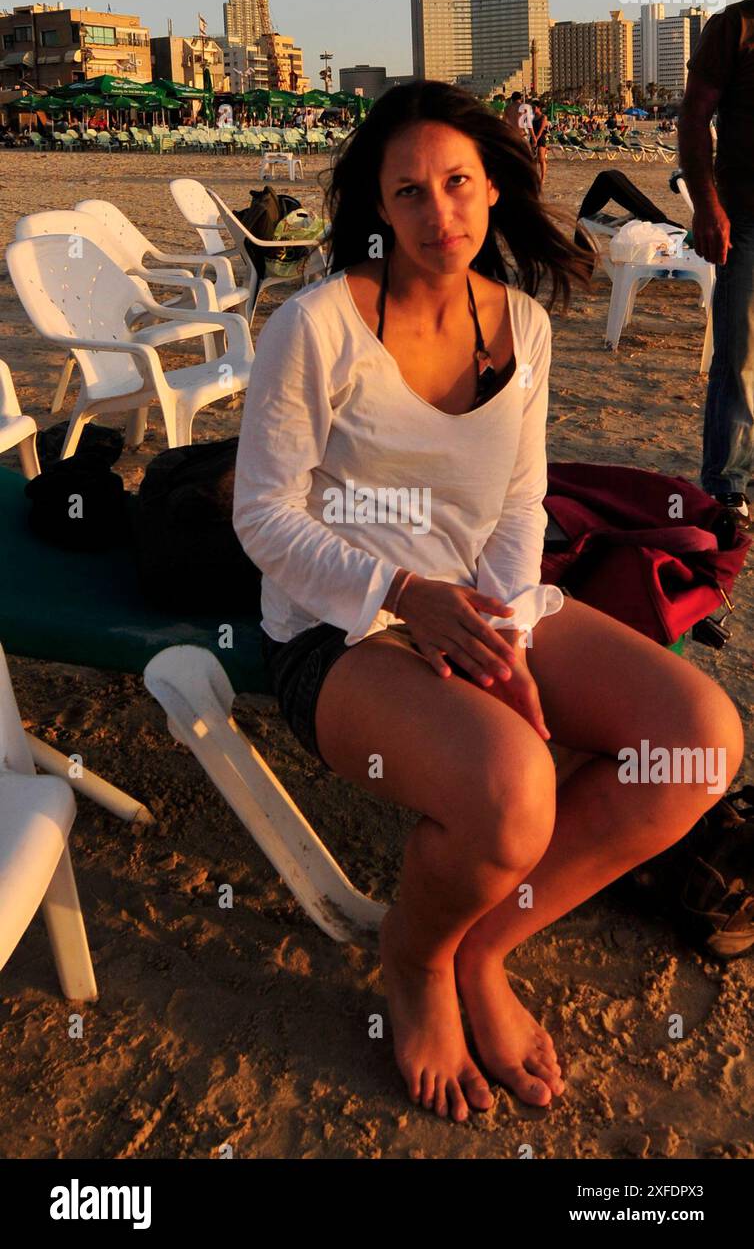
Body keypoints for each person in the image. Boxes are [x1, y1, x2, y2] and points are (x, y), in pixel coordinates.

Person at [232, 80, 743, 1122]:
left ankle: (486, 944)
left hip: (483, 599)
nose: (440, 213)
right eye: (409, 191)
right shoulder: (318, 326)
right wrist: (402, 593)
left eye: (458, 182)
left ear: (491, 184)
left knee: (695, 739)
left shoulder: (519, 322)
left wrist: (507, 629)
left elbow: (519, 500)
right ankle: (415, 963)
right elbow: (262, 515)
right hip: (340, 625)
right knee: (516, 793)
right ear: (376, 205)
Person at [679, 0, 754, 528]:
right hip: (745, 217)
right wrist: (707, 205)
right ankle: (727, 487)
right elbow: (694, 116)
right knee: (739, 352)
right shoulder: (736, 26)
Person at [531, 100, 550, 184]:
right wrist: (533, 138)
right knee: (534, 159)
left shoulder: (543, 117)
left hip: (540, 138)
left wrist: (536, 139)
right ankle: (535, 177)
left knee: (541, 159)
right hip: (533, 138)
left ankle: (542, 178)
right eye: (532, 107)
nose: (532, 109)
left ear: (539, 108)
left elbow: (541, 129)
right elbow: (530, 128)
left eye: (534, 107)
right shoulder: (532, 117)